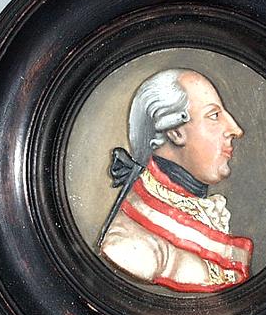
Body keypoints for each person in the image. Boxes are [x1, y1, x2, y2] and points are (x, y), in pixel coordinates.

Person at [98, 68, 253, 292]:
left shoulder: (205, 213)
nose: (235, 130)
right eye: (214, 116)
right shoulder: (130, 244)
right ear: (176, 132)